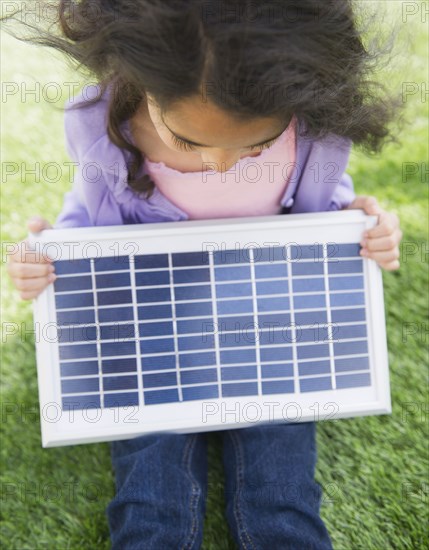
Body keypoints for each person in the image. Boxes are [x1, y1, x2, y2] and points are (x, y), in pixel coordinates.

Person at [5, 1, 402, 548]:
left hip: (268, 332)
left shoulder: (313, 133)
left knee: (282, 496)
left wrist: (367, 224)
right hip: (153, 334)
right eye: (188, 141)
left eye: (254, 146)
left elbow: (325, 220)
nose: (220, 164)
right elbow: (90, 223)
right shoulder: (102, 128)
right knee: (150, 497)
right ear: (144, 85)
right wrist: (50, 260)